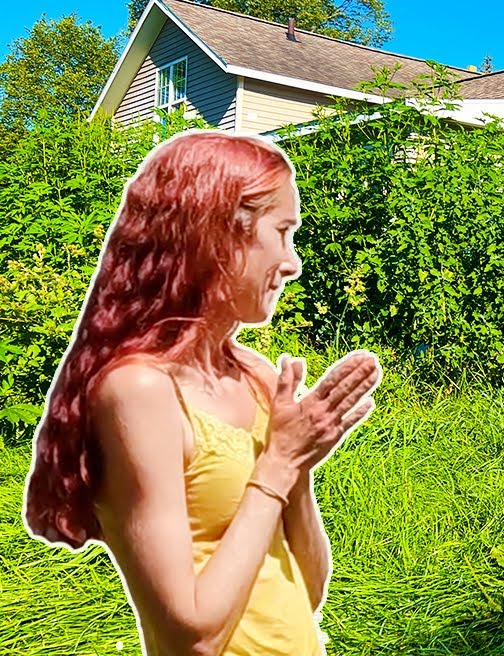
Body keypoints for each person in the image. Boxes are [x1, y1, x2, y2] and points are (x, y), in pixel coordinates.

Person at [21, 130, 382, 655]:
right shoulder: (139, 391)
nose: (291, 261)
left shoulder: (257, 376)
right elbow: (192, 635)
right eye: (281, 233)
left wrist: (298, 463)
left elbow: (308, 590)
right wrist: (278, 464)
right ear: (220, 236)